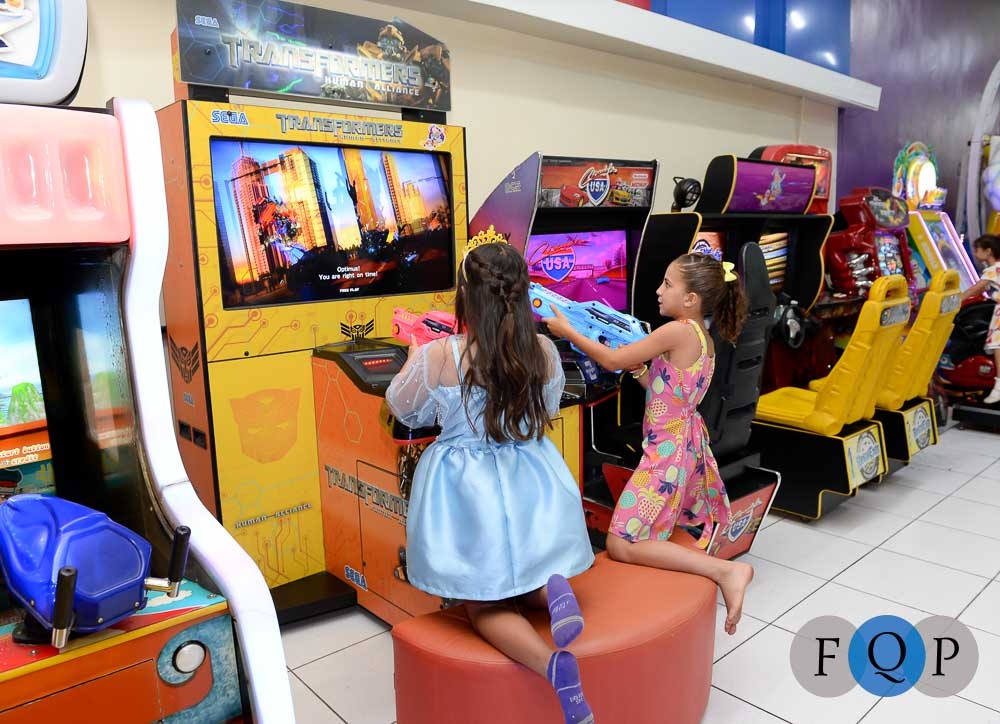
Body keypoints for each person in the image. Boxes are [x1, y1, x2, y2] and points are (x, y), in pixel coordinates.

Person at [386, 242, 596, 724]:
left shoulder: (440, 354)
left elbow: (404, 408)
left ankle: (551, 665)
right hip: (530, 476)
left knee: (482, 602)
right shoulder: (543, 350)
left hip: (467, 490)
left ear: (467, 297)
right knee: (524, 572)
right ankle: (552, 591)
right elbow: (547, 407)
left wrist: (415, 357)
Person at [543, 253, 754, 635]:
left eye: (668, 284)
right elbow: (666, 391)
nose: (659, 290)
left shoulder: (677, 331)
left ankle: (726, 571)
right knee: (646, 531)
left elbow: (611, 360)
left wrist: (568, 331)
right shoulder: (702, 337)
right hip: (682, 445)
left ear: (691, 298)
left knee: (621, 542)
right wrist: (641, 368)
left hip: (666, 455)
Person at [964, 234, 1000, 404]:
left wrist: (956, 299)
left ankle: (999, 387)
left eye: (977, 249)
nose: (975, 253)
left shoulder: (994, 269)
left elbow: (975, 289)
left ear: (988, 251)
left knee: (997, 346)